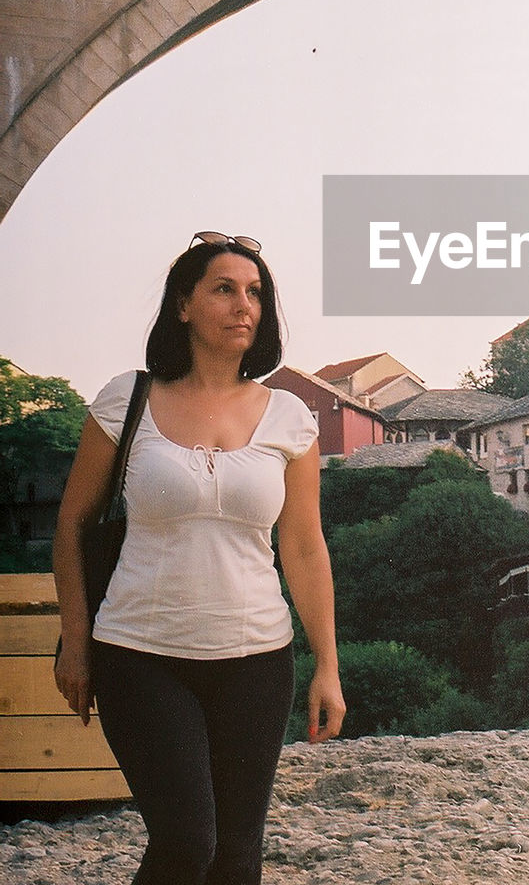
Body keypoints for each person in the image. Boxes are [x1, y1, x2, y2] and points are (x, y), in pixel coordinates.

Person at [53, 232, 346, 885]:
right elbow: (71, 523)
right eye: (224, 289)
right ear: (182, 305)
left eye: (255, 293)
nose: (245, 305)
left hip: (256, 662)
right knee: (188, 841)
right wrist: (75, 640)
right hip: (139, 654)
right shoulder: (127, 399)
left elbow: (302, 546)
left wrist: (326, 664)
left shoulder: (290, 417)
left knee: (237, 858)